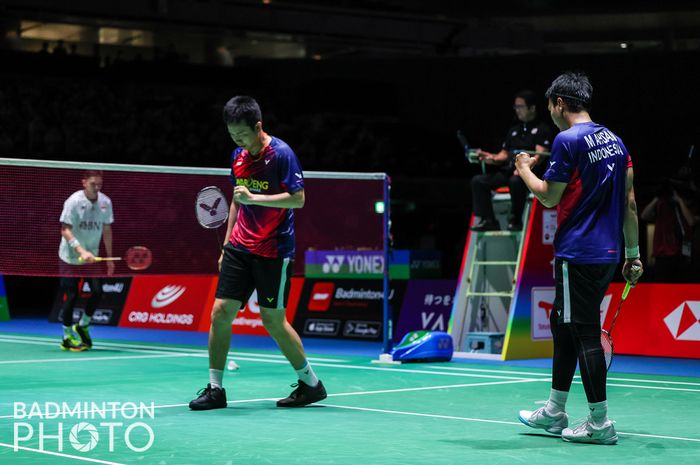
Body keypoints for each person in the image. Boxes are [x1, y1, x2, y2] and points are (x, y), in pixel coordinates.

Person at [514, 72, 643, 445]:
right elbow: (630, 201)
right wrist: (632, 254)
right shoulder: (616, 141)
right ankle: (555, 411)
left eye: (550, 107)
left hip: (578, 252)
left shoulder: (567, 139)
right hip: (606, 252)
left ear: (558, 104)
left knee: (584, 332)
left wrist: (524, 170)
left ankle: (599, 422)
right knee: (561, 323)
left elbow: (549, 196)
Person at [189, 96, 326, 411]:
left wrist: (256, 197)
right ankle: (215, 389)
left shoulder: (282, 154)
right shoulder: (238, 156)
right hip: (239, 246)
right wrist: (226, 244)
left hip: (273, 249)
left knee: (273, 321)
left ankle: (311, 384)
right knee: (221, 312)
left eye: (242, 134)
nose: (238, 141)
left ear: (258, 126)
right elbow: (237, 200)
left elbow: (298, 199)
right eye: (232, 135)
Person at [471, 90, 553, 231]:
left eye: (520, 106)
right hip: (509, 170)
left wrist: (523, 170)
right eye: (515, 107)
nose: (517, 110)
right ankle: (488, 220)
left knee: (514, 181)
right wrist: (489, 157)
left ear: (532, 108)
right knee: (478, 181)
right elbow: (503, 155)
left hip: (528, 175)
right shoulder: (514, 130)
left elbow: (539, 157)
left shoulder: (542, 129)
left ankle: (515, 221)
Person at [58, 170, 114, 351]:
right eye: (93, 184)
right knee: (71, 295)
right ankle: (67, 335)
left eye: (100, 185)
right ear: (84, 182)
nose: (97, 188)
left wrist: (109, 259)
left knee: (97, 292)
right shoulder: (73, 202)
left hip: (92, 257)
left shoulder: (105, 202)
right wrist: (81, 250)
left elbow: (106, 230)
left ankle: (82, 325)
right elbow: (65, 230)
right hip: (70, 256)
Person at [641, 179, 696, 282]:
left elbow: (691, 222)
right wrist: (658, 197)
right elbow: (644, 216)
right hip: (662, 256)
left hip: (680, 255)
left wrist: (679, 200)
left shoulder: (681, 205)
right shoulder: (660, 205)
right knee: (661, 288)